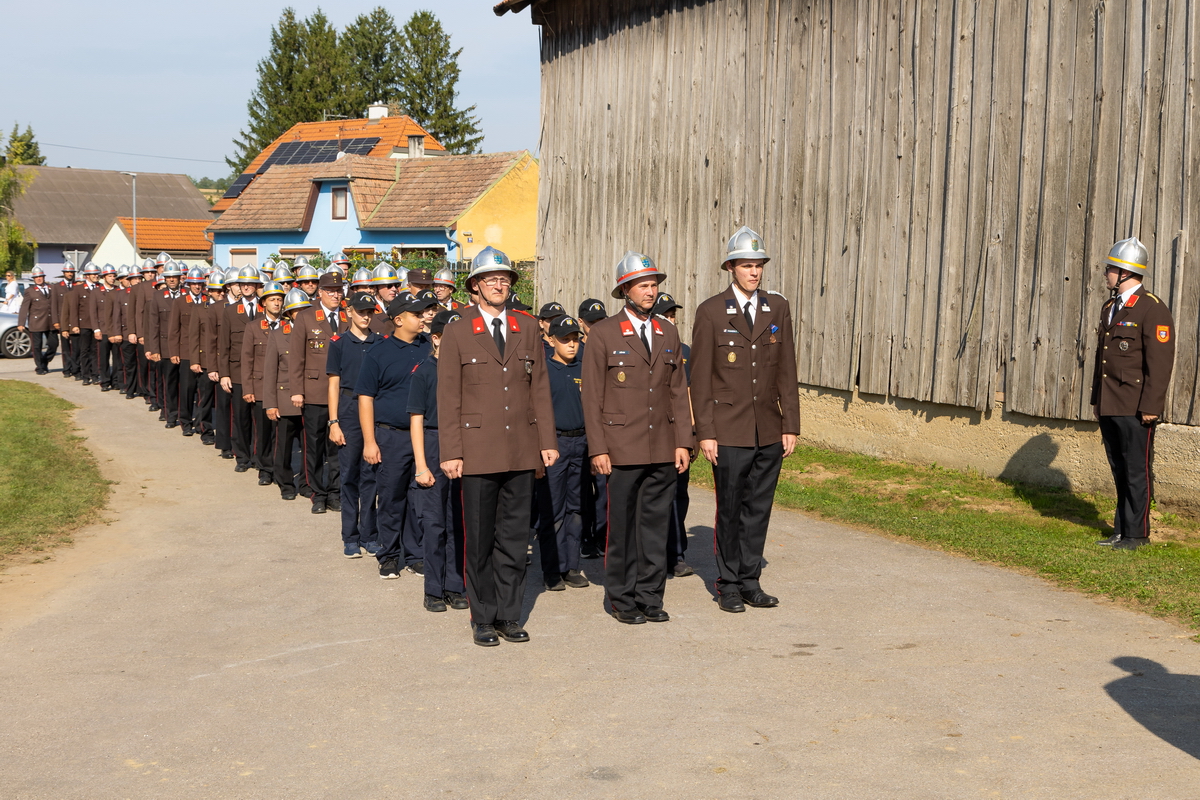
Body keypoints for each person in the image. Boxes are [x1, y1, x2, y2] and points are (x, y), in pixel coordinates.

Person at [438, 246, 558, 647]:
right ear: (475, 286)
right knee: (481, 539)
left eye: (504, 278)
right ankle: (483, 617)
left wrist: (547, 441)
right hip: (476, 451)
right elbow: (448, 396)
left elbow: (540, 388)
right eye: (490, 279)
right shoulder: (458, 329)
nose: (499, 284)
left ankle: (510, 614)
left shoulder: (526, 327)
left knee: (514, 538)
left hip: (521, 449)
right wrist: (451, 450)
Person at [691, 226, 800, 613]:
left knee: (759, 508)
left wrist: (790, 424)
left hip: (768, 427)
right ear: (731, 268)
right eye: (746, 265)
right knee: (732, 508)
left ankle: (751, 580)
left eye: (759, 265)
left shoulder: (777, 308)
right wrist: (706, 431)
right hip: (729, 429)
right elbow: (700, 378)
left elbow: (786, 368)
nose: (754, 272)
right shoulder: (711, 311)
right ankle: (729, 583)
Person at [582, 251, 692, 625]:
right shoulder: (604, 333)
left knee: (656, 525)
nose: (651, 291)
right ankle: (622, 598)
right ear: (625, 289)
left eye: (655, 285)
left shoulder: (668, 331)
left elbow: (678, 391)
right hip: (621, 448)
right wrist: (597, 447)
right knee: (623, 527)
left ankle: (649, 595)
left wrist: (683, 441)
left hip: (662, 446)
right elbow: (592, 395)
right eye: (644, 285)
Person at [1091, 237, 1176, 550]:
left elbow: (1160, 364)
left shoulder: (1152, 309)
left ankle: (1137, 536)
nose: (1107, 274)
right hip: (1111, 402)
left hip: (1136, 406)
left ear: (1126, 272)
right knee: (1119, 469)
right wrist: (1097, 401)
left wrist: (1152, 406)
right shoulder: (1110, 307)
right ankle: (1121, 530)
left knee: (1137, 471)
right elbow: (1103, 360)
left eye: (1111, 269)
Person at [358, 291, 436, 577]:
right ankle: (389, 554)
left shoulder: (428, 347)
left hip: (424, 435)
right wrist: (369, 441)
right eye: (416, 315)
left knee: (420, 498)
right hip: (390, 436)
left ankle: (415, 554)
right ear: (399, 319)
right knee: (391, 497)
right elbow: (365, 398)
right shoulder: (378, 352)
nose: (423, 318)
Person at [409, 308, 469, 611]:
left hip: (461, 443)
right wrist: (421, 465)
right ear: (436, 339)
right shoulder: (424, 372)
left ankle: (454, 584)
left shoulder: (466, 371)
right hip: (433, 443)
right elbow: (417, 420)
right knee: (434, 522)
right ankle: (433, 588)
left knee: (458, 519)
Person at [535, 315, 591, 592]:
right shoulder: (544, 370)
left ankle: (571, 565)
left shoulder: (586, 368)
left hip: (581, 443)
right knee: (553, 509)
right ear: (551, 340)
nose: (572, 345)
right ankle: (552, 568)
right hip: (554, 445)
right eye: (565, 339)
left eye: (575, 339)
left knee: (577, 508)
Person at [326, 292, 383, 556]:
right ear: (349, 312)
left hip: (372, 411)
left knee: (371, 474)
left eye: (370, 312)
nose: (366, 316)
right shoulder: (338, 343)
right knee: (349, 475)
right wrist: (334, 421)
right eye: (361, 311)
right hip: (348, 410)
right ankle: (350, 535)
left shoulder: (380, 342)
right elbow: (334, 384)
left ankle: (369, 533)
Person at [288, 272, 344, 513]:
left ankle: (335, 492)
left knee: (338, 448)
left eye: (339, 290)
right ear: (320, 292)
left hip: (342, 395)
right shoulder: (306, 317)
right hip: (314, 393)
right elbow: (296, 357)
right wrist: (297, 390)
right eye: (330, 290)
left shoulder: (348, 317)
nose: (335, 294)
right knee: (314, 447)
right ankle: (317, 493)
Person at [651, 291, 695, 577]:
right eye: (665, 315)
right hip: (653, 433)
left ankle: (676, 553)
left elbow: (688, 395)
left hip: (678, 434)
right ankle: (652, 555)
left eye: (672, 316)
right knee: (653, 498)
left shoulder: (685, 352)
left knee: (679, 495)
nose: (670, 320)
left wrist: (691, 434)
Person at [264, 289, 311, 501]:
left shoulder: (315, 332)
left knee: (309, 446)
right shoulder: (277, 335)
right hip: (285, 400)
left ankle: (305, 482)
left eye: (305, 310)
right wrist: (271, 404)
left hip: (310, 400)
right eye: (296, 311)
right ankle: (285, 482)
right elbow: (270, 372)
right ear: (289, 314)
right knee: (283, 445)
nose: (301, 315)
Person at [241, 281, 287, 487]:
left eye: (279, 299)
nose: (277, 303)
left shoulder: (288, 326)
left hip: (283, 388)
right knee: (264, 432)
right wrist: (248, 388)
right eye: (272, 300)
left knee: (281, 433)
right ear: (264, 303)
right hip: (260, 388)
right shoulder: (253, 327)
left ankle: (279, 469)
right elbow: (247, 359)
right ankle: (264, 469)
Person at [218, 266, 262, 473]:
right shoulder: (230, 311)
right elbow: (223, 345)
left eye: (250, 283)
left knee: (261, 419)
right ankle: (242, 457)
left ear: (256, 286)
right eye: (243, 284)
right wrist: (224, 374)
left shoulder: (265, 308)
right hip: (236, 372)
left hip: (262, 372)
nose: (246, 287)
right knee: (241, 417)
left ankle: (260, 457)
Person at [168, 267, 207, 436]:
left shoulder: (207, 302)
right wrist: (174, 351)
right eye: (194, 284)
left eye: (200, 284)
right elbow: (173, 329)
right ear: (188, 284)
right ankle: (185, 421)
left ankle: (200, 423)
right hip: (185, 352)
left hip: (203, 352)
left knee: (203, 391)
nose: (197, 287)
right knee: (186, 389)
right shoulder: (180, 302)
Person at [190, 270, 225, 446]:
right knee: (206, 398)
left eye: (222, 290)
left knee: (224, 401)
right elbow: (194, 336)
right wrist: (195, 360)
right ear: (209, 291)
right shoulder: (200, 309)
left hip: (224, 361)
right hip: (205, 361)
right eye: (216, 290)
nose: (220, 293)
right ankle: (206, 429)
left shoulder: (228, 308)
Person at [66, 263, 101, 385]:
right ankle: (85, 375)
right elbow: (74, 308)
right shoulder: (78, 289)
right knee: (84, 351)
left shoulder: (100, 288)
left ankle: (95, 374)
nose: (96, 276)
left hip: (97, 325)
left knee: (95, 351)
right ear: (87, 276)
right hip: (84, 324)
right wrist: (74, 324)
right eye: (94, 274)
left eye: (97, 274)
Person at [17, 267, 55, 375]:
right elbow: (24, 307)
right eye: (36, 277)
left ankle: (44, 361)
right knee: (37, 346)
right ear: (34, 279)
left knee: (54, 344)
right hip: (36, 322)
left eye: (40, 277)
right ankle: (40, 367)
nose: (38, 279)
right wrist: (21, 323)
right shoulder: (30, 291)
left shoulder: (51, 288)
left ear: (43, 277)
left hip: (50, 321)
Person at [52, 262, 77, 379]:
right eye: (67, 272)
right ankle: (67, 368)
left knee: (76, 346)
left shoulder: (77, 286)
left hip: (76, 320)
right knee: (66, 346)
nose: (70, 274)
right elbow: (54, 305)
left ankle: (76, 368)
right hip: (63, 320)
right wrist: (56, 321)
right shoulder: (57, 287)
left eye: (71, 272)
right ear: (63, 273)